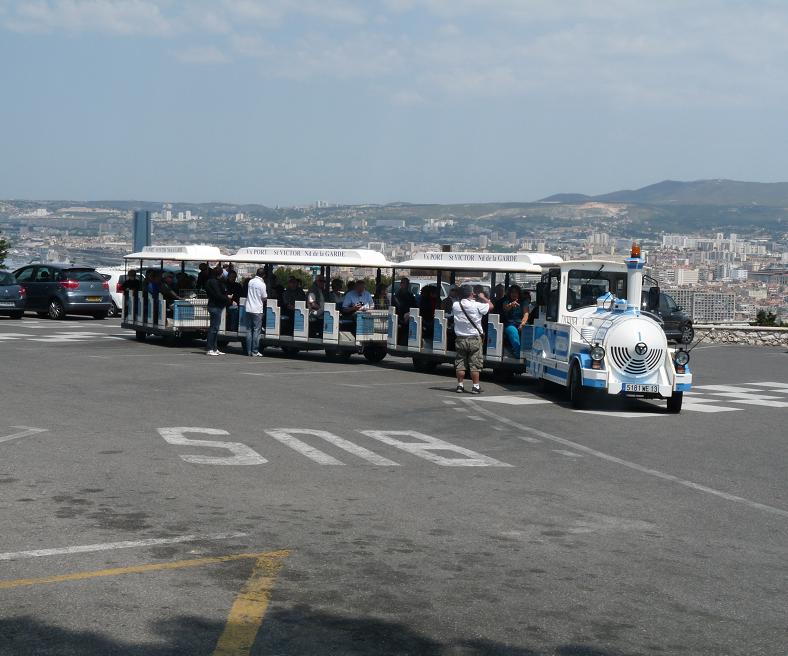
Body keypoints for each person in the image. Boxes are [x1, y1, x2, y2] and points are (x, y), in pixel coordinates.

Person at [451, 284, 493, 394]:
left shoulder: (456, 305)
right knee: (475, 364)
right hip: (474, 338)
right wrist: (483, 297)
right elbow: (491, 306)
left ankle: (460, 386)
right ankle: (475, 386)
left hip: (460, 338)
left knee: (460, 363)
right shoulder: (477, 305)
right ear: (471, 293)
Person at [205, 267, 233, 356]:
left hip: (214, 305)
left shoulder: (210, 281)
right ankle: (210, 348)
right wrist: (227, 298)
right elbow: (218, 294)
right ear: (220, 274)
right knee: (214, 328)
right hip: (215, 306)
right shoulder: (214, 282)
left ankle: (214, 348)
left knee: (215, 328)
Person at [500, 284, 529, 358]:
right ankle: (518, 354)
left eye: (516, 292)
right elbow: (505, 308)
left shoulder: (524, 302)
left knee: (529, 332)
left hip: (521, 323)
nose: (514, 294)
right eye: (512, 292)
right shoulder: (506, 302)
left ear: (519, 293)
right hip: (510, 324)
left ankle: (528, 355)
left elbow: (526, 313)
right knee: (513, 332)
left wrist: (522, 323)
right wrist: (511, 305)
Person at [245, 267, 267, 357]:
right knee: (256, 331)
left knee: (249, 330)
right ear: (264, 275)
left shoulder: (250, 282)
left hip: (248, 308)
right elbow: (264, 297)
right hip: (257, 309)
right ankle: (255, 351)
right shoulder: (262, 284)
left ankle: (248, 351)